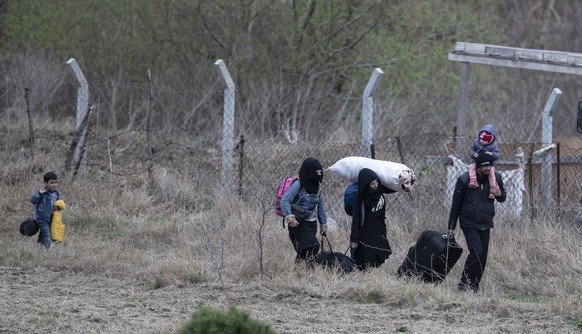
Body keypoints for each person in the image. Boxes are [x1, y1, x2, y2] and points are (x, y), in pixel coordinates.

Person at [448, 152, 506, 292]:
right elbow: (456, 204)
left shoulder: (495, 178)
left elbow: (502, 197)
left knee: (483, 257)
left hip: (486, 222)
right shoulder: (464, 179)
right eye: (485, 166)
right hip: (468, 222)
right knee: (477, 252)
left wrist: (498, 194)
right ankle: (463, 284)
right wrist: (451, 226)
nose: (488, 169)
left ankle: (474, 286)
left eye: (490, 166)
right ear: (478, 166)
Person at [280, 158, 328, 264]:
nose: (319, 175)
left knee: (304, 252)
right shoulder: (298, 185)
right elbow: (284, 200)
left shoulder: (318, 187)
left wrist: (323, 224)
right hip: (298, 224)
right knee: (313, 247)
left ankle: (301, 273)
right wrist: (289, 218)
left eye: (320, 172)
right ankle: (305, 271)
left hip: (312, 224)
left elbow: (320, 206)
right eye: (317, 172)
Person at [349, 168, 397, 270]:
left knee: (381, 250)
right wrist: (354, 238)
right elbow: (356, 219)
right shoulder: (360, 197)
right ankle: (365, 271)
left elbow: (393, 187)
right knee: (366, 253)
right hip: (367, 227)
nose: (375, 186)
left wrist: (403, 184)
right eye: (372, 184)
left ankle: (373, 268)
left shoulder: (379, 190)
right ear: (366, 185)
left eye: (376, 182)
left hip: (378, 225)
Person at [468, 124, 500, 199]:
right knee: (471, 167)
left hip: (489, 163)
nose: (482, 141)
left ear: (490, 140)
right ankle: (473, 181)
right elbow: (470, 150)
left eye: (485, 140)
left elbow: (497, 155)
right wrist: (473, 154)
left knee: (492, 175)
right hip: (477, 161)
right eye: (481, 139)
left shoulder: (494, 145)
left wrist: (491, 154)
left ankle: (492, 191)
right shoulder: (476, 142)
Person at [30, 172, 60, 249]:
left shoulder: (56, 193)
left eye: (56, 182)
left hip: (51, 217)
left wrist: (58, 208)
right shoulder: (42, 192)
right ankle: (48, 249)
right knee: (47, 234)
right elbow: (33, 200)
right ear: (45, 183)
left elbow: (57, 203)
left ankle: (38, 245)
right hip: (41, 217)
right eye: (51, 182)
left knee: (43, 233)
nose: (54, 184)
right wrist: (39, 193)